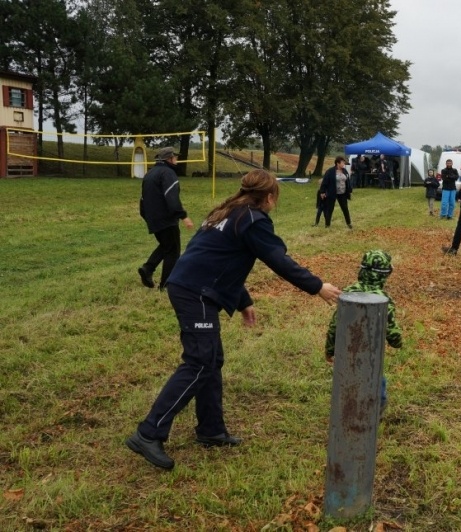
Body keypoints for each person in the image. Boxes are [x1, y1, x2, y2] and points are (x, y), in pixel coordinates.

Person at [125, 169, 342, 470]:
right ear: (268, 197)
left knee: (211, 360)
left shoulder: (228, 212)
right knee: (200, 361)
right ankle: (148, 432)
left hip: (190, 286)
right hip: (194, 293)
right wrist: (317, 286)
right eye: (274, 198)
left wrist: (243, 301)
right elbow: (278, 260)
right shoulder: (253, 220)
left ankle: (211, 430)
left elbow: (219, 258)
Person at [324, 250, 402, 417]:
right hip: (371, 354)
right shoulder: (383, 299)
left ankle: (347, 409)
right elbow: (392, 330)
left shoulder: (348, 292)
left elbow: (334, 324)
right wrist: (397, 341)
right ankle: (375, 409)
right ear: (386, 275)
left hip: (347, 351)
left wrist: (330, 349)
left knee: (348, 379)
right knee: (376, 381)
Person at [138, 147, 194, 290]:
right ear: (169, 158)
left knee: (166, 246)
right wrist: (183, 216)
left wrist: (148, 217)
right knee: (173, 250)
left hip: (152, 218)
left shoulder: (150, 174)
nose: (176, 159)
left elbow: (142, 200)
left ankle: (148, 269)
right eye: (175, 157)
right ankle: (167, 284)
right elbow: (171, 197)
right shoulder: (168, 173)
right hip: (166, 219)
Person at [321, 156, 353, 229]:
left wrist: (349, 190)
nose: (344, 164)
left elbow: (348, 181)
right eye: (342, 162)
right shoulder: (330, 171)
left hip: (343, 193)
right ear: (338, 163)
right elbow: (325, 181)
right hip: (333, 192)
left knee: (345, 208)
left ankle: (349, 223)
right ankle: (327, 224)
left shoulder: (344, 170)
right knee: (330, 209)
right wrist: (322, 191)